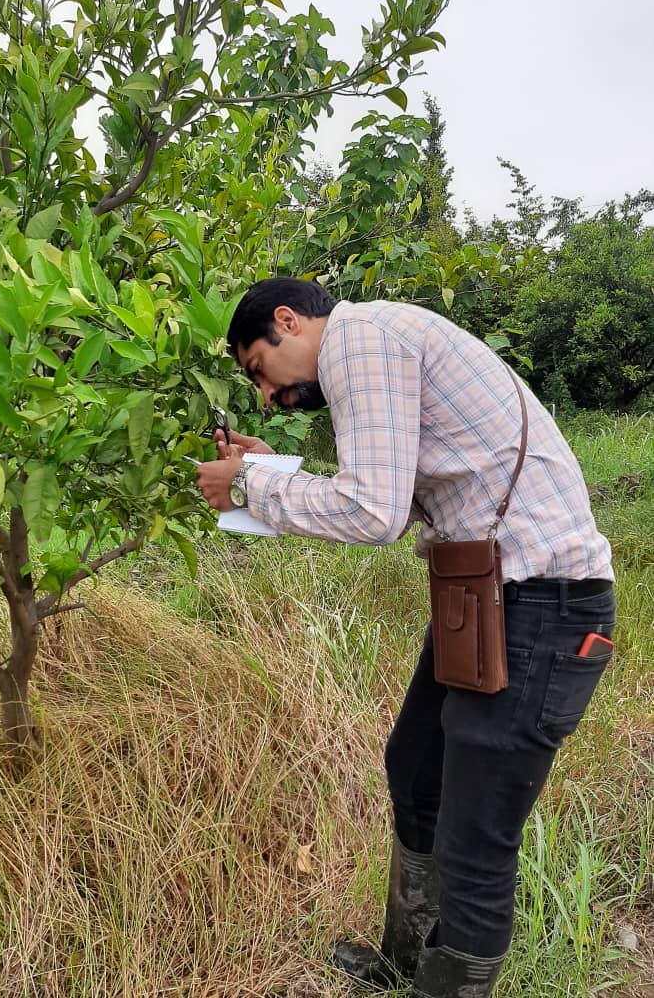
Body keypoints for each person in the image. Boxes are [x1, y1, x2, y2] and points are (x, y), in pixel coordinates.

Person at [194, 277, 615, 997]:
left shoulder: (360, 339)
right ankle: (403, 965)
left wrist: (247, 487)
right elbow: (382, 487)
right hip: (488, 602)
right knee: (416, 770)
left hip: (544, 606)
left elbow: (370, 512)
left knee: (476, 837)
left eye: (257, 370)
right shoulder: (382, 340)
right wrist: (261, 470)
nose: (265, 395)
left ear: (289, 322)